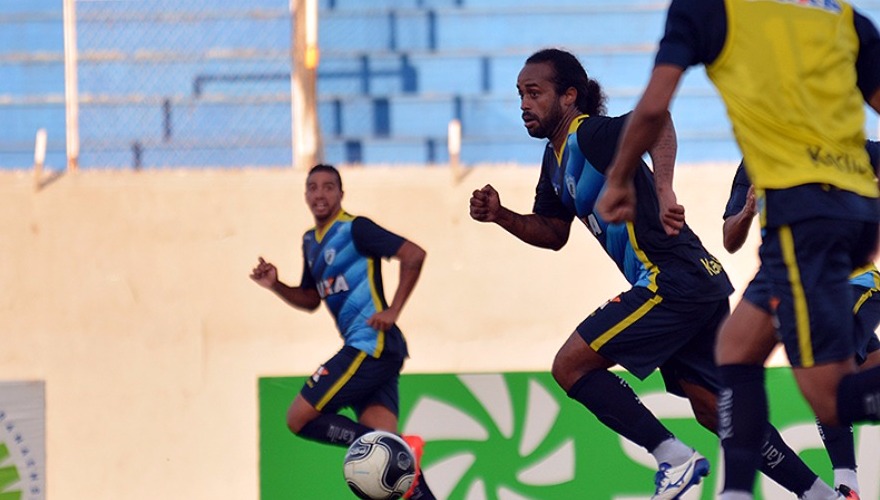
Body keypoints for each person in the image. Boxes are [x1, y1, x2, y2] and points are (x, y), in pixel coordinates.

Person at [469, 47, 839, 500]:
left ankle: (672, 455)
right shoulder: (556, 160)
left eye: (534, 92)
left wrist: (664, 188)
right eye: (520, 95)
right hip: (692, 282)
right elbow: (552, 232)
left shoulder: (592, 135)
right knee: (713, 409)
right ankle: (822, 494)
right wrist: (502, 215)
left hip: (671, 280)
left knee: (570, 365)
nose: (524, 104)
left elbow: (658, 120)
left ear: (569, 97)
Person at [595, 1, 880, 498]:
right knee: (736, 348)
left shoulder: (708, 11)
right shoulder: (844, 18)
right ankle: (736, 492)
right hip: (847, 213)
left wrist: (619, 177)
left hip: (804, 211)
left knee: (831, 401)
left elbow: (655, 105)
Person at [250, 164, 435, 500]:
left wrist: (393, 310)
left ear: (341, 194)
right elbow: (310, 299)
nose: (320, 194)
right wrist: (275, 284)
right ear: (306, 194)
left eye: (328, 187)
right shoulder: (310, 241)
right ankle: (397, 452)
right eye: (313, 187)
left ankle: (395, 448)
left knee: (298, 418)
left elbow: (413, 254)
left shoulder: (355, 229)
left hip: (371, 344)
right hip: (377, 351)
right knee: (394, 483)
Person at [722, 142, 880, 499]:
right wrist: (746, 213)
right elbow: (729, 239)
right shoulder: (752, 162)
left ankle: (845, 487)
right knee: (735, 358)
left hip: (853, 282)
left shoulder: (828, 139)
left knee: (823, 364)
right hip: (791, 286)